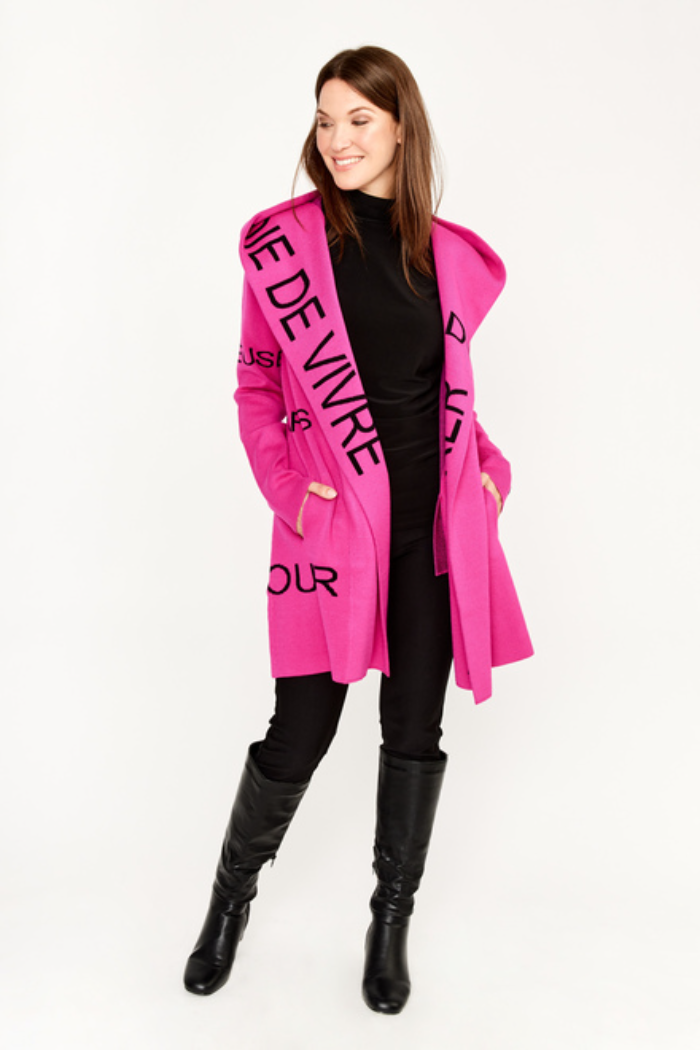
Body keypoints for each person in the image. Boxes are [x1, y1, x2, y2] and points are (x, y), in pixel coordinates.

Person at [183, 45, 533, 1015]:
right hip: (332, 531)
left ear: (401, 129)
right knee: (299, 730)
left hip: (432, 536)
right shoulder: (286, 251)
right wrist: (290, 493)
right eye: (326, 119)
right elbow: (256, 388)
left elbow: (445, 400)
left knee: (413, 731)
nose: (337, 139)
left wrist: (491, 472)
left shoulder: (446, 256)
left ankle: (389, 925)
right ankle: (228, 904)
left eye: (359, 120)